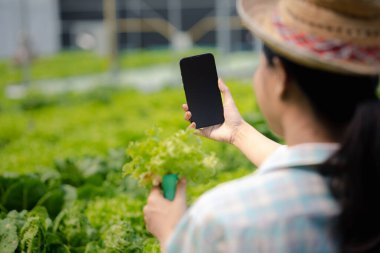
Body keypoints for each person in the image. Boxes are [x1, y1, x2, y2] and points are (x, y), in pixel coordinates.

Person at [143, 0, 380, 252]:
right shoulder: (367, 178)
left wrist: (171, 235)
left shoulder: (223, 219)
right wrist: (237, 131)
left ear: (280, 77)